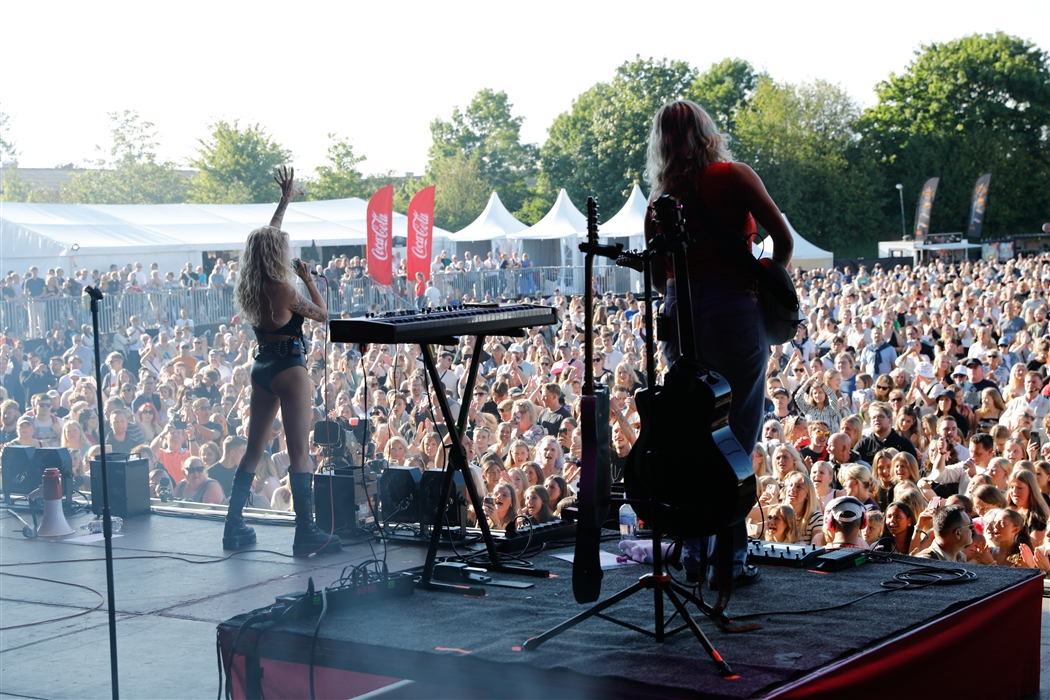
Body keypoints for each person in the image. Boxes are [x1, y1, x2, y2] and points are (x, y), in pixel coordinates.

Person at [642, 100, 792, 589]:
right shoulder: (734, 176)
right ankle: (729, 559)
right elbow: (783, 241)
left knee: (689, 429)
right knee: (737, 434)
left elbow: (657, 272)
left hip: (678, 316)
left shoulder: (658, 201)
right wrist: (763, 281)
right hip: (733, 309)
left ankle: (691, 547)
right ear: (707, 133)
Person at [221, 167, 340, 556]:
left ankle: (233, 526)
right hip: (290, 368)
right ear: (278, 256)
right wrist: (308, 279)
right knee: (299, 452)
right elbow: (324, 315)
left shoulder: (251, 286)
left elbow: (267, 238)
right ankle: (305, 532)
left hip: (261, 369)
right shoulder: (287, 290)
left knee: (254, 450)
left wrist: (284, 203)